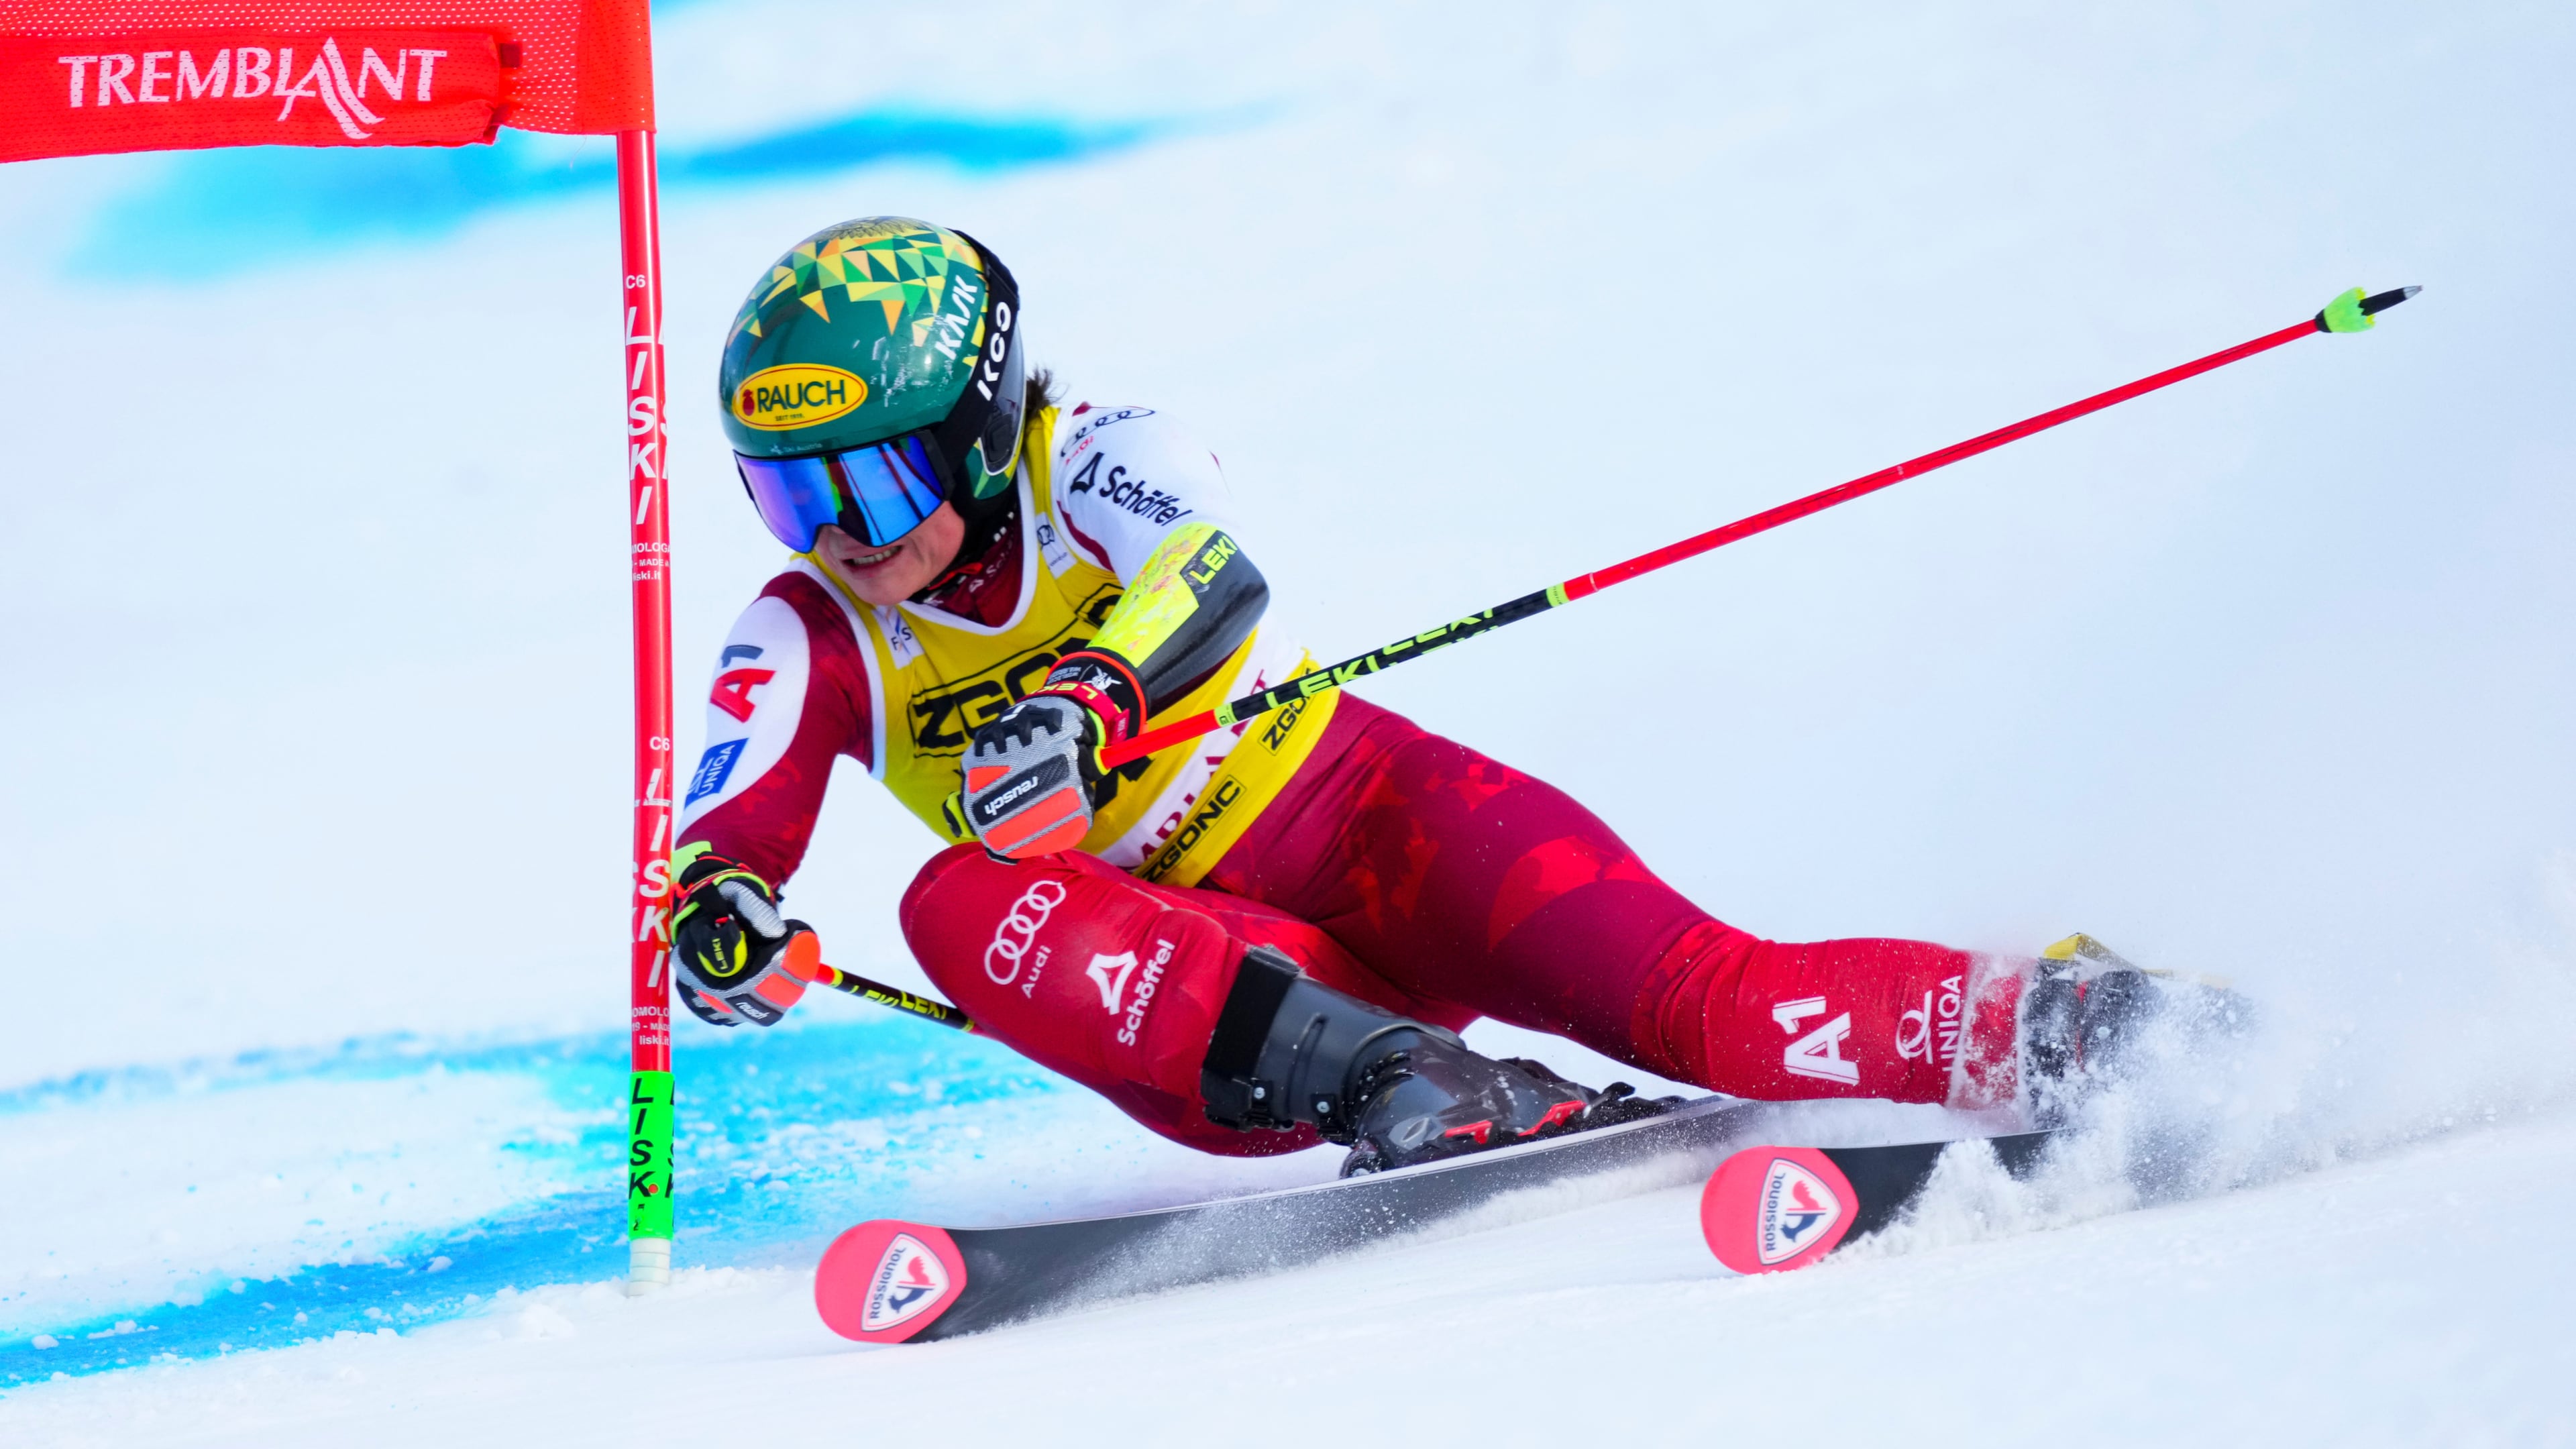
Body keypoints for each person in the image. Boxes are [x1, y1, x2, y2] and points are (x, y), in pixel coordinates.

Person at [669, 217, 2160, 1174]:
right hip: (1210, 996)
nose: (844, 533)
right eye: (788, 497)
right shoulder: (804, 632)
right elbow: (719, 845)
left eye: (872, 475)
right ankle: (1407, 1079)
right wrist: (720, 922)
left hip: (1368, 821)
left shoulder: (1101, 453)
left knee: (1712, 1007)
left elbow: (1212, 579)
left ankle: (2082, 1023)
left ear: (984, 427)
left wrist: (1092, 701)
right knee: (957, 902)